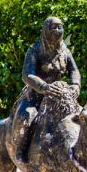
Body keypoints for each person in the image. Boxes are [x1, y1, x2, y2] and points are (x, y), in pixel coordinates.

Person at [8, 17, 81, 164]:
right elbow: (27, 74)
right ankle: (21, 150)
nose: (57, 31)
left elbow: (74, 71)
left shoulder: (64, 51)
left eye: (60, 27)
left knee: (82, 116)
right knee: (26, 116)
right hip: (36, 95)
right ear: (45, 29)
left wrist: (75, 85)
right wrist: (44, 87)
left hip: (60, 96)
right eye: (53, 27)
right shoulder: (35, 50)